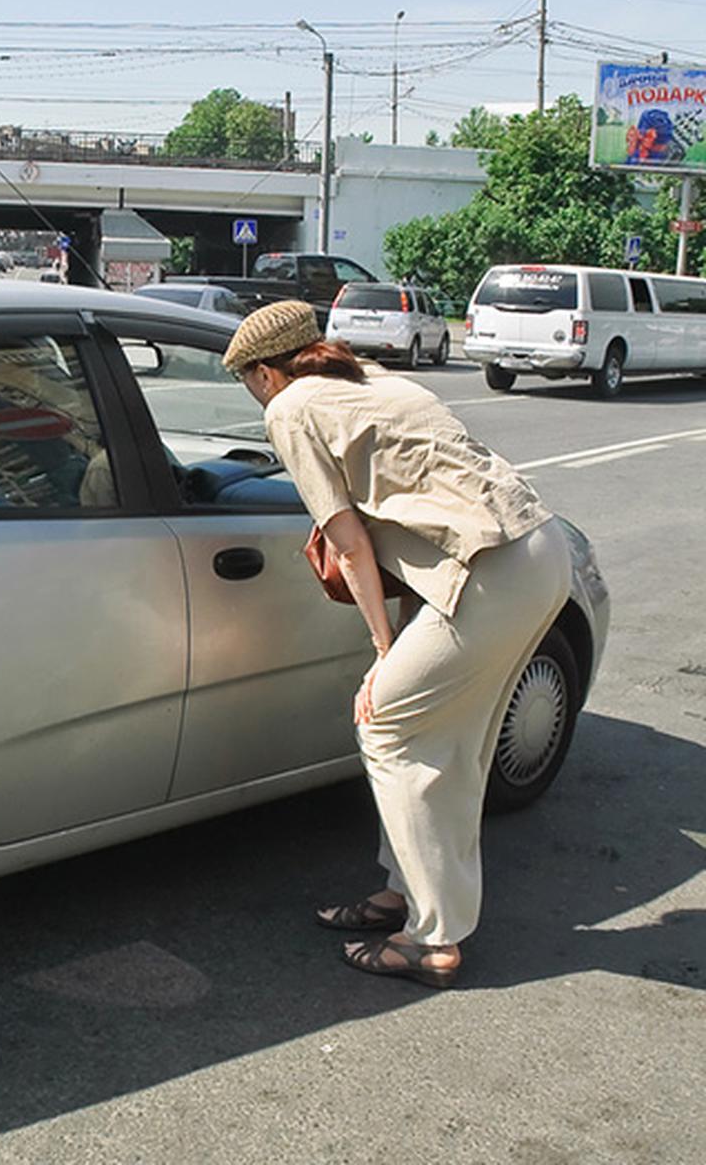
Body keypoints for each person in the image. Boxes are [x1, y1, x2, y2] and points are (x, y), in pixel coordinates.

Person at [223, 300, 571, 989]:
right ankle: (404, 895)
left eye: (248, 382)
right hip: (540, 550)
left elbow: (348, 544)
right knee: (454, 741)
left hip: (487, 570)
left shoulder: (290, 409)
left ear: (264, 373)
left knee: (385, 726)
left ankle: (432, 939)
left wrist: (383, 652)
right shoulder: (379, 380)